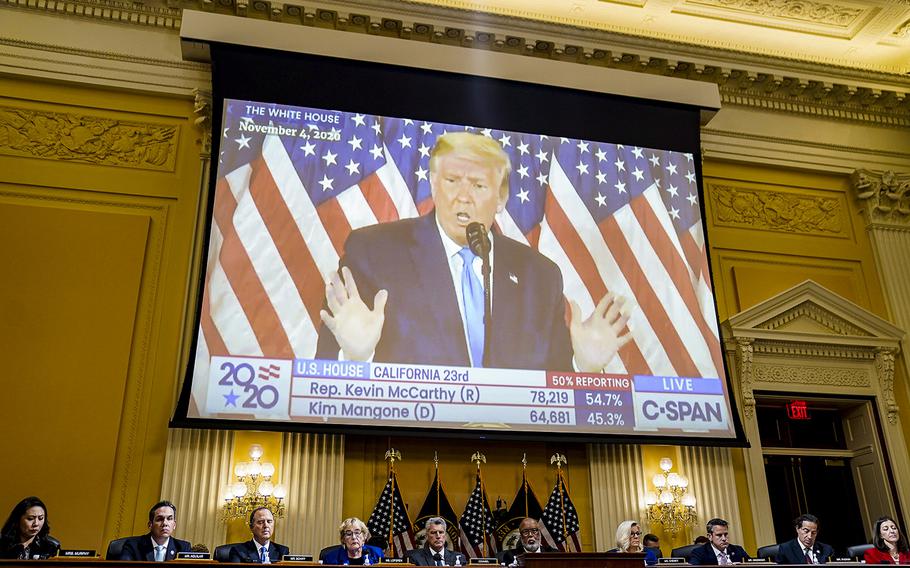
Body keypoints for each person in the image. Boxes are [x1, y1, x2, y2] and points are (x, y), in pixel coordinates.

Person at [316, 131, 631, 371]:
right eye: (452, 181)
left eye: (478, 186)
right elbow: (324, 387)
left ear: (501, 198)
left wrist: (584, 368)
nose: (462, 197)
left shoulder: (540, 275)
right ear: (434, 184)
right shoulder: (375, 252)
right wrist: (356, 357)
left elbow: (551, 396)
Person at [120, 500, 190, 562]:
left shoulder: (183, 548)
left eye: (169, 519)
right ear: (150, 525)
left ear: (174, 525)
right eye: (160, 519)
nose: (165, 523)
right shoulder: (133, 545)